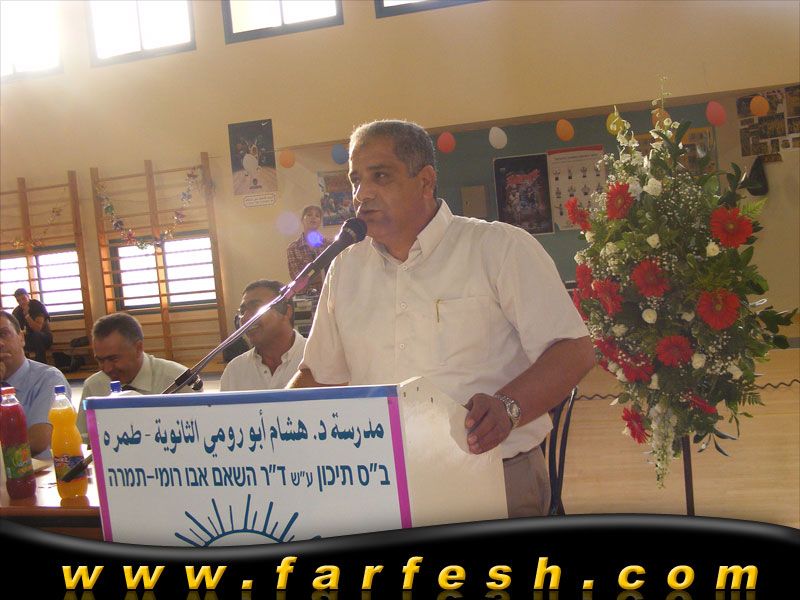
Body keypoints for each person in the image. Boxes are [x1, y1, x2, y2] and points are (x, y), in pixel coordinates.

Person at [289, 120, 595, 518]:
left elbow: (574, 350)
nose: (362, 194)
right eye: (355, 180)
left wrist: (508, 407)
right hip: (383, 484)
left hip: (494, 476)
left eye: (380, 176)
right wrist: (261, 424)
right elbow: (319, 377)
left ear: (425, 181)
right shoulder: (346, 269)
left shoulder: (498, 248)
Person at [77, 312, 190, 442]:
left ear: (138, 348)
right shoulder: (94, 386)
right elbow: (83, 441)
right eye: (100, 360)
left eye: (113, 359)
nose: (107, 368)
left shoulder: (179, 380)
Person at [0, 311, 70, 457]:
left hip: (41, 470)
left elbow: (38, 441)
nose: (0, 343)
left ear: (21, 338)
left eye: (4, 334)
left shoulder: (48, 378)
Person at [220, 280, 306, 391]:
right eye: (242, 311)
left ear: (286, 311)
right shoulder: (235, 370)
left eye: (255, 307)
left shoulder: (319, 357)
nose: (245, 318)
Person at [286, 205, 331, 291]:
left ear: (320, 222)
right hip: (306, 294)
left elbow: (335, 271)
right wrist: (321, 276)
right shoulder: (293, 248)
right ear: (302, 220)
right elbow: (297, 278)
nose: (313, 217)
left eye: (317, 216)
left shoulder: (329, 244)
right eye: (309, 214)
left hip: (329, 291)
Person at [11, 288, 53, 364]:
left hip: (44, 338)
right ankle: (23, 365)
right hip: (29, 338)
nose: (21, 302)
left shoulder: (37, 306)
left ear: (28, 296)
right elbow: (15, 329)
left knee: (37, 335)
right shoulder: (17, 311)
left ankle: (41, 364)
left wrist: (27, 315)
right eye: (19, 300)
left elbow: (37, 329)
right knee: (17, 340)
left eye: (23, 299)